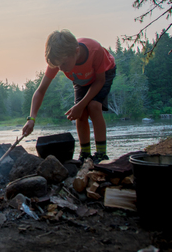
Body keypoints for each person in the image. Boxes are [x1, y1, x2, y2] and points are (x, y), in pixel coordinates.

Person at [23, 29, 116, 164]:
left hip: (103, 74)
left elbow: (100, 81)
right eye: (57, 65)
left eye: (64, 64)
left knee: (94, 106)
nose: (60, 68)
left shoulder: (94, 50)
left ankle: (101, 154)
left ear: (76, 52)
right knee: (81, 113)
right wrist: (31, 118)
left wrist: (81, 104)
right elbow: (40, 91)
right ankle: (85, 154)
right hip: (81, 79)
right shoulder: (59, 60)